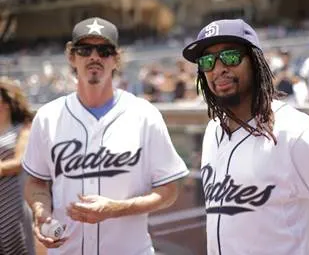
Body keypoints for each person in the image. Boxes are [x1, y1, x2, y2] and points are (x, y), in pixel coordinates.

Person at [182, 18, 309, 255]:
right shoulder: (213, 131)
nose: (218, 69)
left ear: (255, 61)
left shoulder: (293, 129)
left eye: (230, 57)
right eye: (207, 61)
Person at [23, 17, 189, 255]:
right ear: (72, 57)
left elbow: (168, 191)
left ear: (116, 59)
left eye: (104, 50)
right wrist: (41, 212)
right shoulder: (47, 116)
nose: (94, 57)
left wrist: (116, 209)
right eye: (85, 49)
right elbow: (36, 182)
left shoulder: (144, 114)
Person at [0, 77, 35, 255]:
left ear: (6, 103)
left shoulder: (22, 129)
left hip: (12, 202)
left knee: (17, 247)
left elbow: (21, 161)